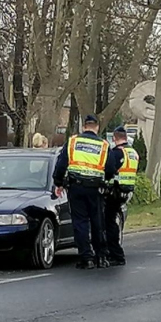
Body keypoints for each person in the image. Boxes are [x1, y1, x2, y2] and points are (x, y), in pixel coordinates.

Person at [53, 114, 110, 270]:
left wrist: (58, 182)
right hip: (95, 189)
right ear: (96, 127)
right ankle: (101, 257)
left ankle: (86, 257)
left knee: (80, 222)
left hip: (76, 187)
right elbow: (110, 168)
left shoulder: (72, 142)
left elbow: (61, 164)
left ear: (84, 127)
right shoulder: (104, 145)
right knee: (97, 222)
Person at [104, 126, 139, 266]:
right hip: (126, 192)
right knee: (113, 222)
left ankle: (116, 254)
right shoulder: (133, 152)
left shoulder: (117, 153)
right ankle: (113, 252)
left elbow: (109, 171)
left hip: (114, 192)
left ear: (114, 138)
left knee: (109, 223)